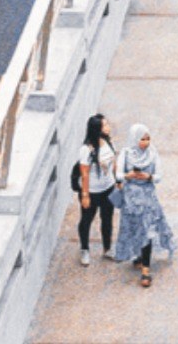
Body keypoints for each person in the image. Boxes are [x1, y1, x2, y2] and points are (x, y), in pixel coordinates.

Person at [113, 124, 176, 288]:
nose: (145, 143)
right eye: (142, 139)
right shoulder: (126, 153)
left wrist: (148, 177)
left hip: (148, 198)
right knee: (134, 229)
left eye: (148, 139)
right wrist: (129, 175)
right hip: (131, 199)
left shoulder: (152, 153)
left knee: (148, 231)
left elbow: (159, 176)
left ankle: (146, 271)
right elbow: (118, 174)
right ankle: (138, 256)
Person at [76, 114, 118, 266]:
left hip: (108, 189)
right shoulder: (86, 149)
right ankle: (84, 249)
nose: (108, 126)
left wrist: (117, 182)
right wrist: (85, 195)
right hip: (92, 191)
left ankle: (107, 248)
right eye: (105, 125)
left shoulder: (107, 142)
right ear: (97, 129)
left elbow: (114, 162)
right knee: (86, 220)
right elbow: (85, 173)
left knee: (107, 219)